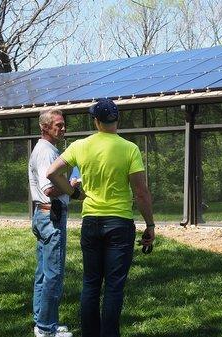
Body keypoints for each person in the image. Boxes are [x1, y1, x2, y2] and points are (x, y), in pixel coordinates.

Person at [47, 98, 155, 337]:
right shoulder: (129, 149)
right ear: (117, 119)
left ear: (96, 121)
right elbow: (140, 192)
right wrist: (150, 225)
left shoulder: (79, 146)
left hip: (91, 222)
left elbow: (52, 172)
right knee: (114, 287)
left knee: (91, 284)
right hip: (120, 223)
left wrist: (74, 193)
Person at [28, 109, 81, 337]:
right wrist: (72, 186)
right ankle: (47, 328)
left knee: (43, 273)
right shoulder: (46, 152)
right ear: (45, 128)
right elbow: (48, 189)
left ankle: (42, 323)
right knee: (53, 274)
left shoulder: (47, 149)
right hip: (51, 216)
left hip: (44, 215)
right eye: (58, 125)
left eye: (63, 124)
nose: (63, 128)